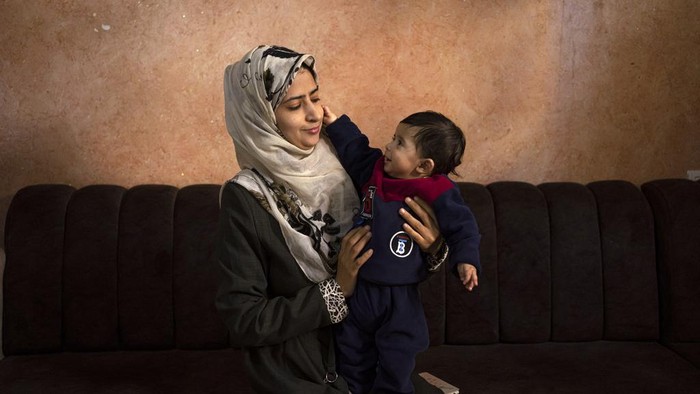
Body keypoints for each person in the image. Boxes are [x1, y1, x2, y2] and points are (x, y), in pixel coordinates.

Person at [215, 45, 446, 393]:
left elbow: (389, 261)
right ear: (260, 117)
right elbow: (246, 321)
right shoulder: (246, 197)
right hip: (305, 374)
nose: (314, 114)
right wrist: (337, 289)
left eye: (315, 97)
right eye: (294, 106)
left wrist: (431, 248)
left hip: (373, 361)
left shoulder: (346, 160)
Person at [322, 107, 481, 394]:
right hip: (360, 287)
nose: (389, 146)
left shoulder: (437, 190)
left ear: (423, 166)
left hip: (401, 295)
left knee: (398, 354)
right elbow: (356, 149)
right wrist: (336, 124)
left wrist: (466, 260)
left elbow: (463, 226)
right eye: (394, 138)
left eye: (399, 143)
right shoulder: (375, 171)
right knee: (351, 349)